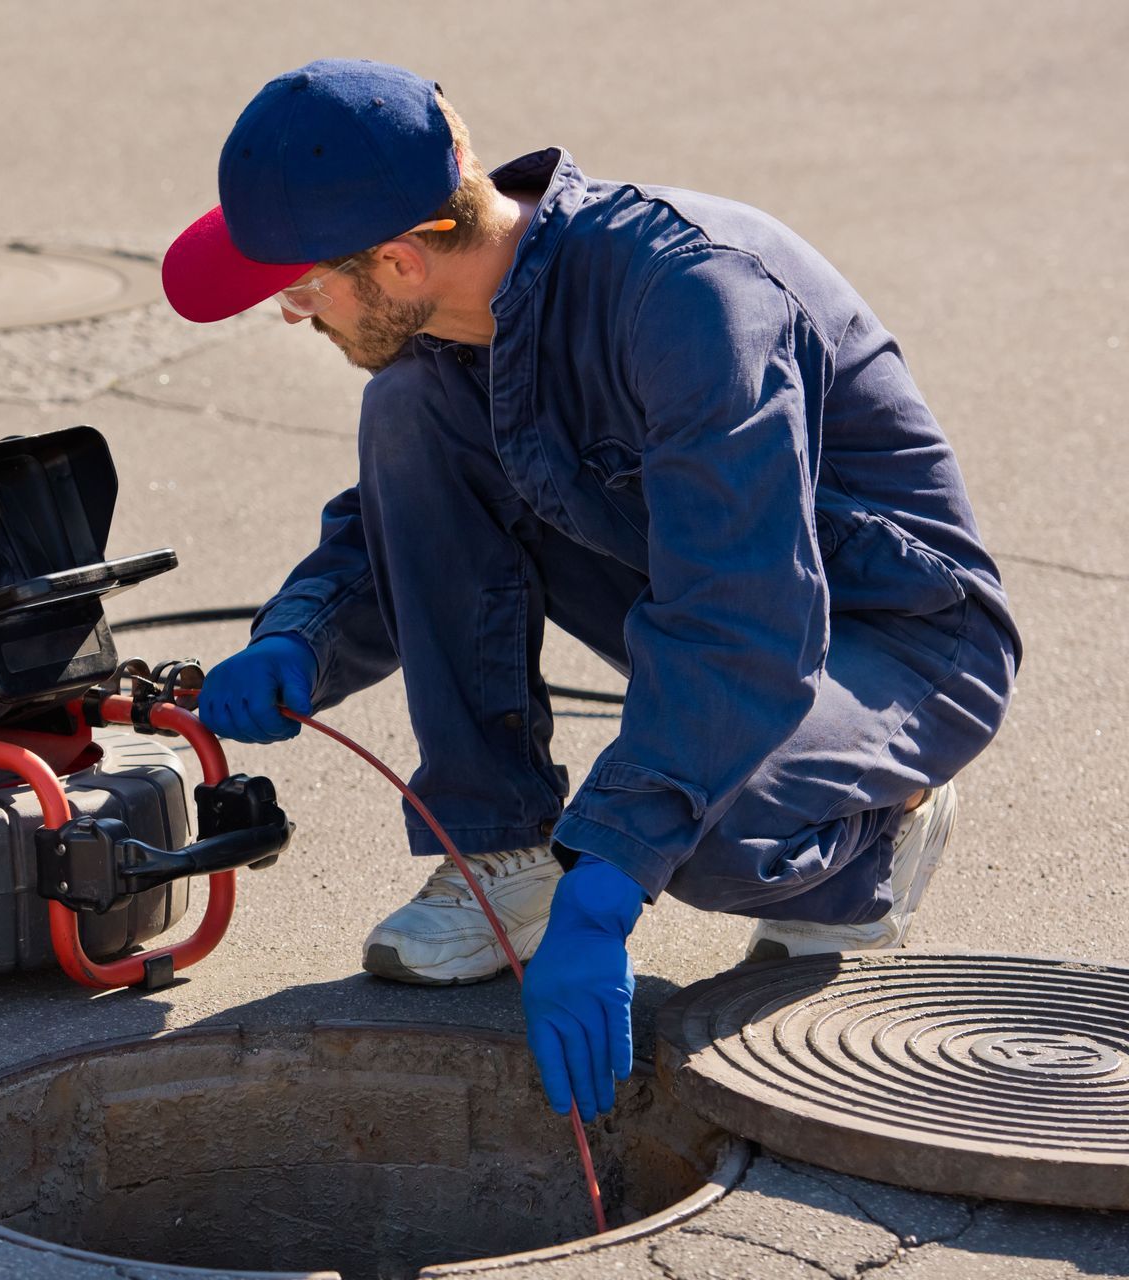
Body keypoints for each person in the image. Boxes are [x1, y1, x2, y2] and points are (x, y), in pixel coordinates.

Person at [162, 59, 1020, 1122]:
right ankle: (502, 853)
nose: (291, 314)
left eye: (300, 287)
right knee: (410, 414)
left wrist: (607, 887)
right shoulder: (467, 315)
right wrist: (302, 637)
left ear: (396, 259)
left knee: (690, 831)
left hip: (901, 640)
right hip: (709, 585)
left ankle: (875, 837)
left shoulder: (694, 302)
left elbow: (741, 619)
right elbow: (422, 514)